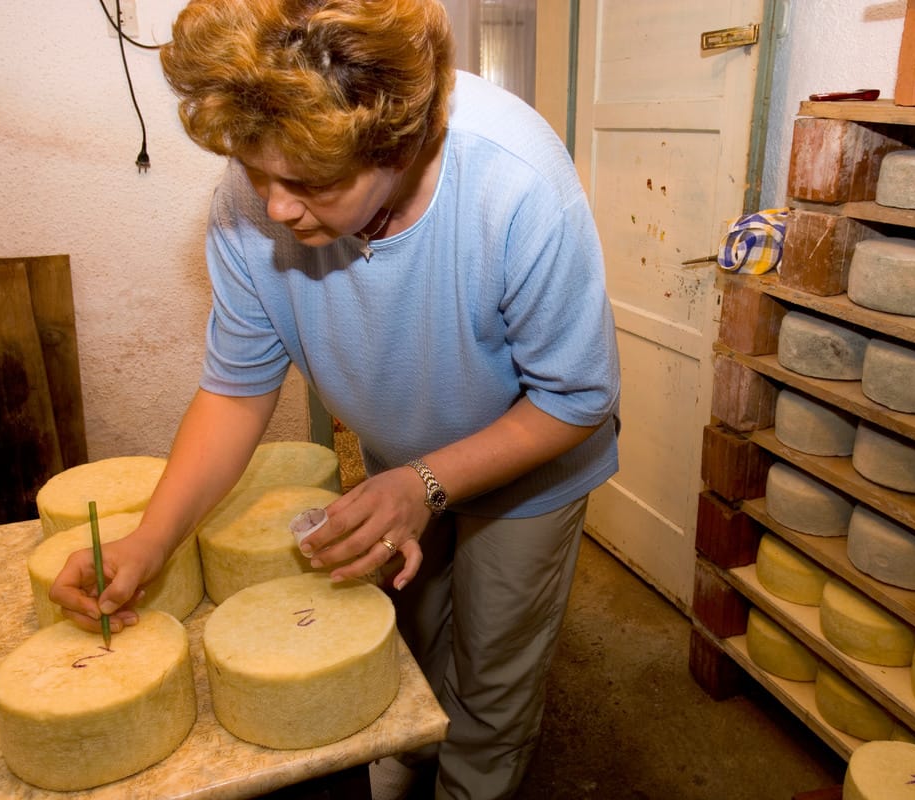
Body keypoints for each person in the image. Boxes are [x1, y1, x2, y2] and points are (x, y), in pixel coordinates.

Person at [50, 0, 620, 797]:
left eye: (308, 183)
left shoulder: (516, 182)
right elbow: (235, 393)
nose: (276, 207)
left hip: (530, 461)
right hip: (399, 459)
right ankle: (402, 769)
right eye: (257, 172)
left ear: (402, 146)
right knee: (403, 639)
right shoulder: (250, 205)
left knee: (491, 672)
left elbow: (576, 397)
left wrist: (427, 483)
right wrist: (152, 538)